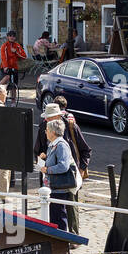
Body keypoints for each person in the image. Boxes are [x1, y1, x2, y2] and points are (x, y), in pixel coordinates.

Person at [35, 97, 90, 232]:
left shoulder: (71, 126)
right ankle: (59, 236)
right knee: (55, 210)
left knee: (71, 207)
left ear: (58, 116)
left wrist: (81, 169)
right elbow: (38, 149)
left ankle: (74, 237)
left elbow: (85, 150)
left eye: (49, 118)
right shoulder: (44, 127)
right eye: (46, 118)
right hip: (52, 177)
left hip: (70, 176)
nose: (46, 120)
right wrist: (43, 157)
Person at [40, 117, 77, 231]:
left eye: (47, 130)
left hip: (60, 188)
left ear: (53, 132)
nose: (45, 132)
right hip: (53, 187)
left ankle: (62, 244)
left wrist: (48, 170)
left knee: (59, 217)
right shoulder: (53, 144)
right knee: (54, 217)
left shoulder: (61, 145)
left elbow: (63, 166)